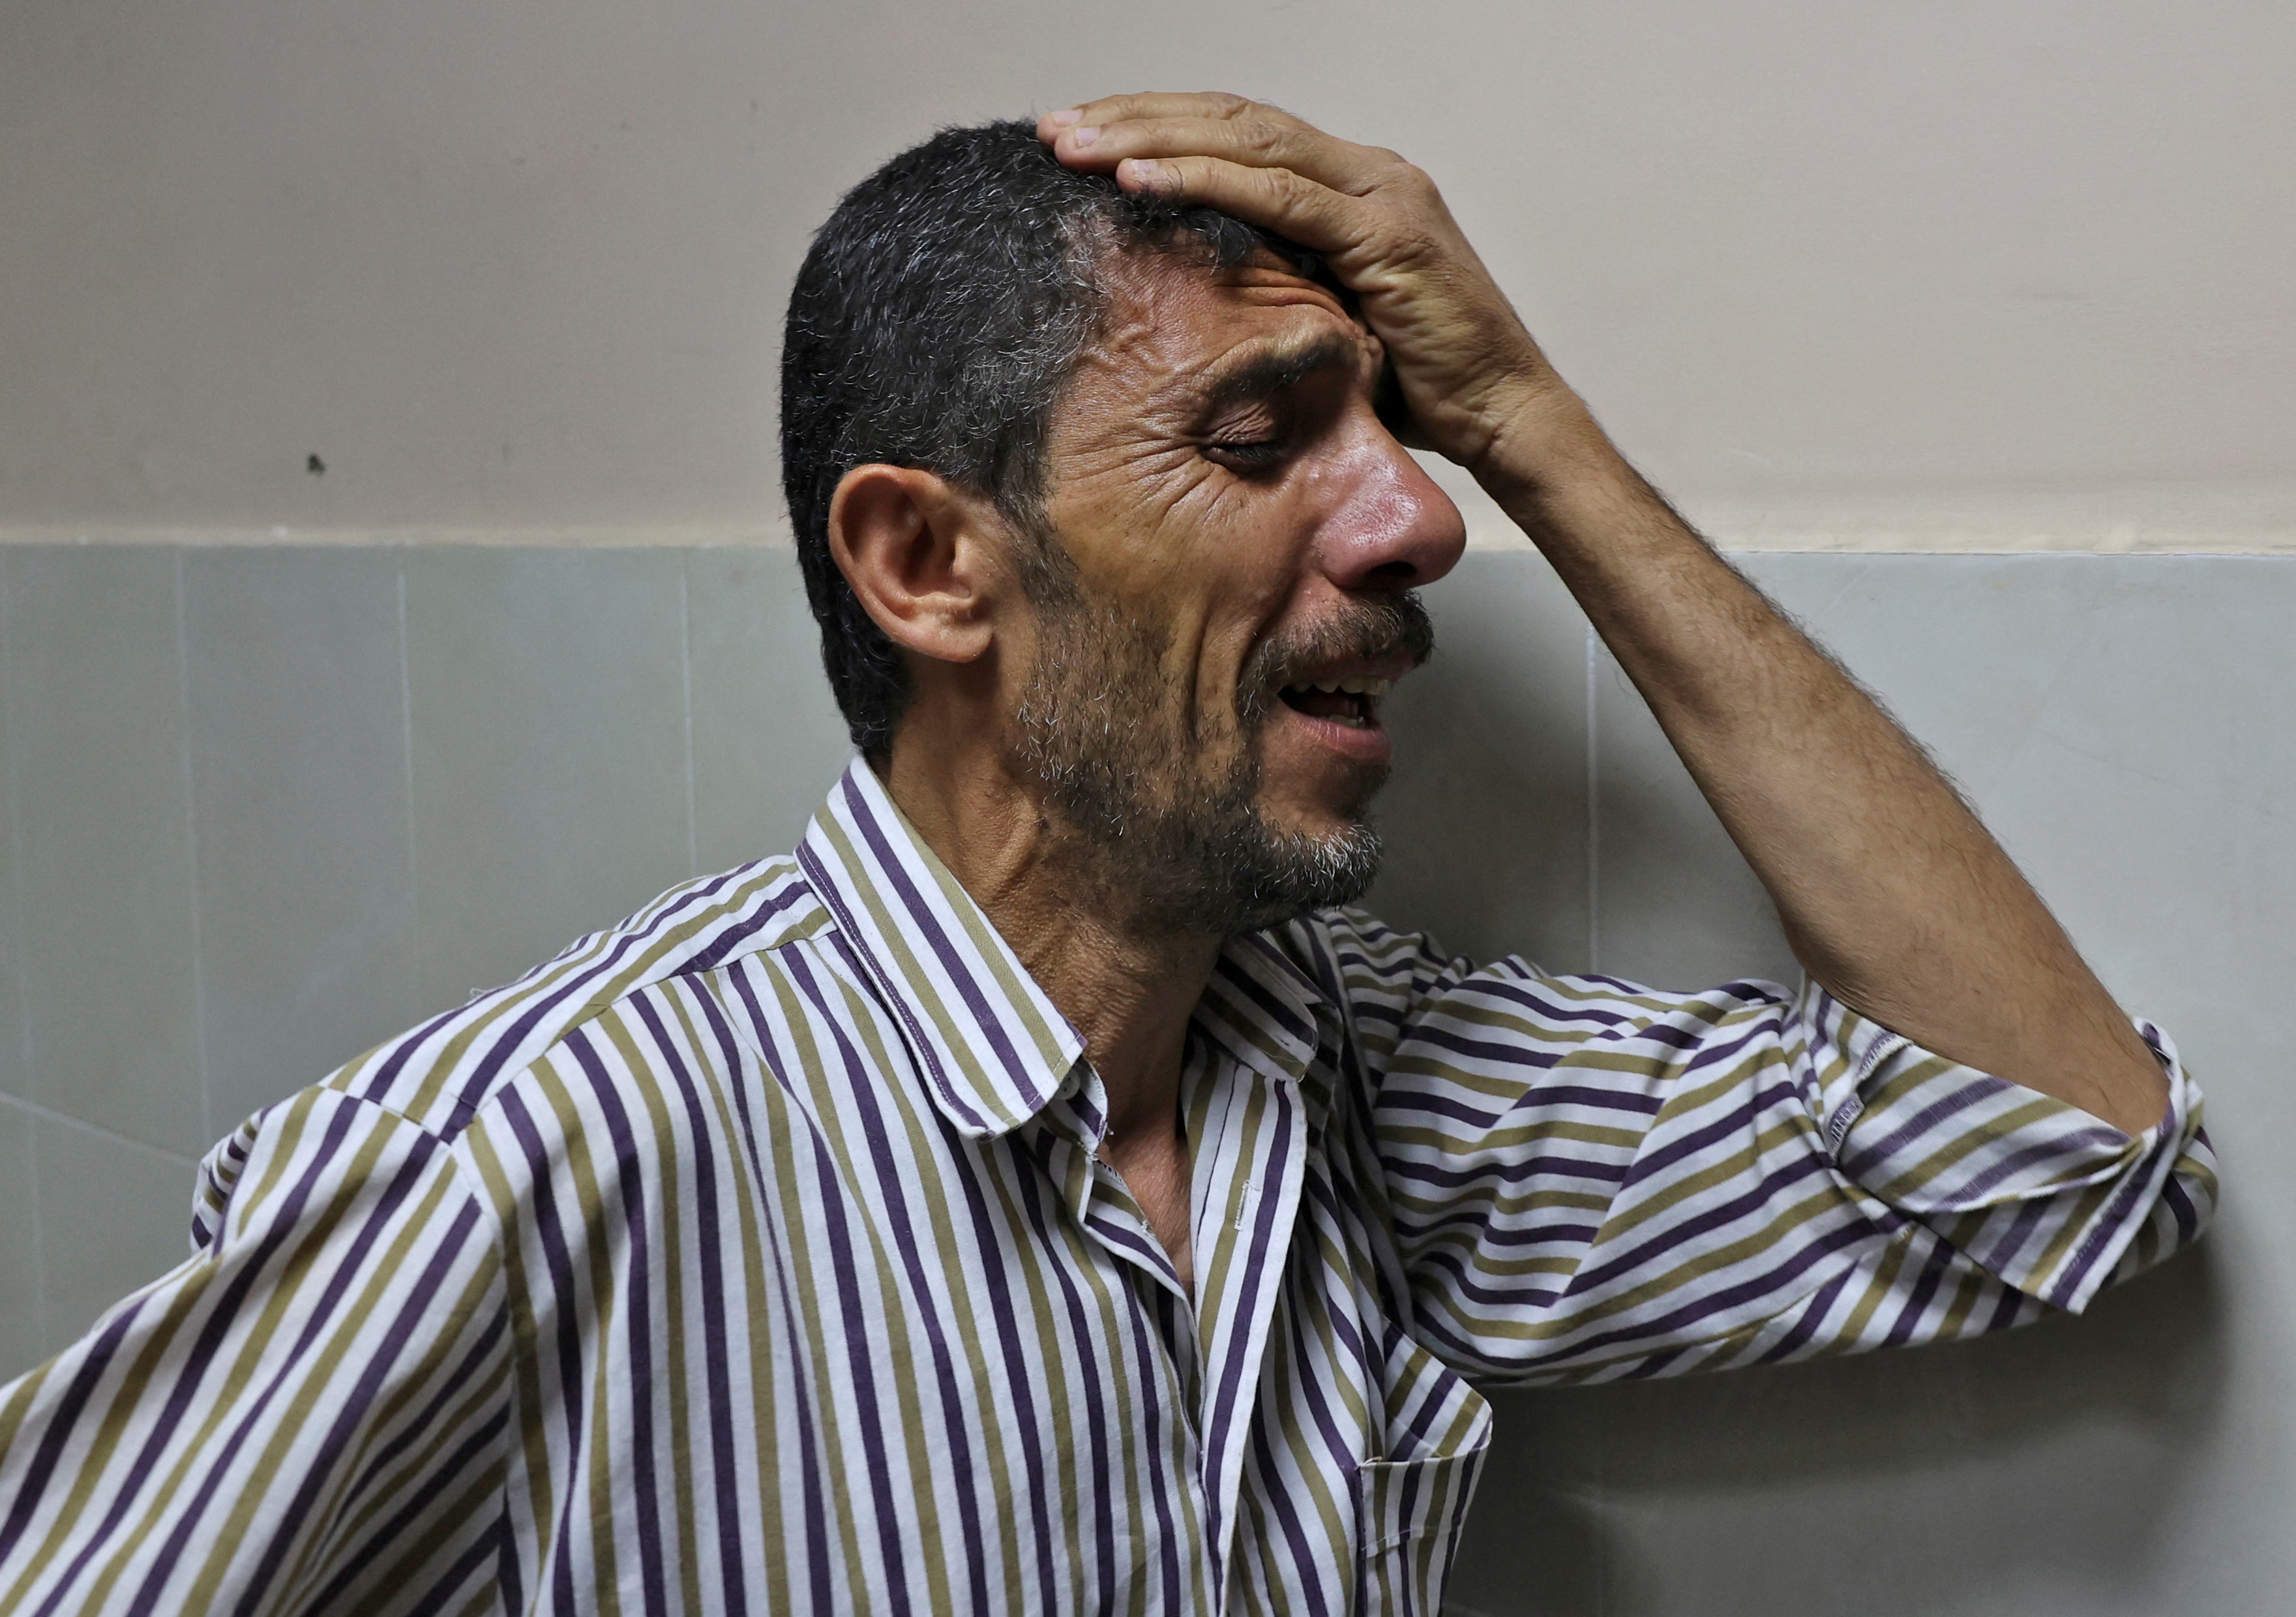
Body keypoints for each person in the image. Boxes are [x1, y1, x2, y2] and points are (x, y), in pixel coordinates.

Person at [0, 95, 2213, 1616]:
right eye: (1256, 439)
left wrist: (1538, 426)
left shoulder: (1361, 1086)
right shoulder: (524, 1170)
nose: (1415, 515)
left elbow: (2064, 1161)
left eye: (1403, 435)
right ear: (930, 567)